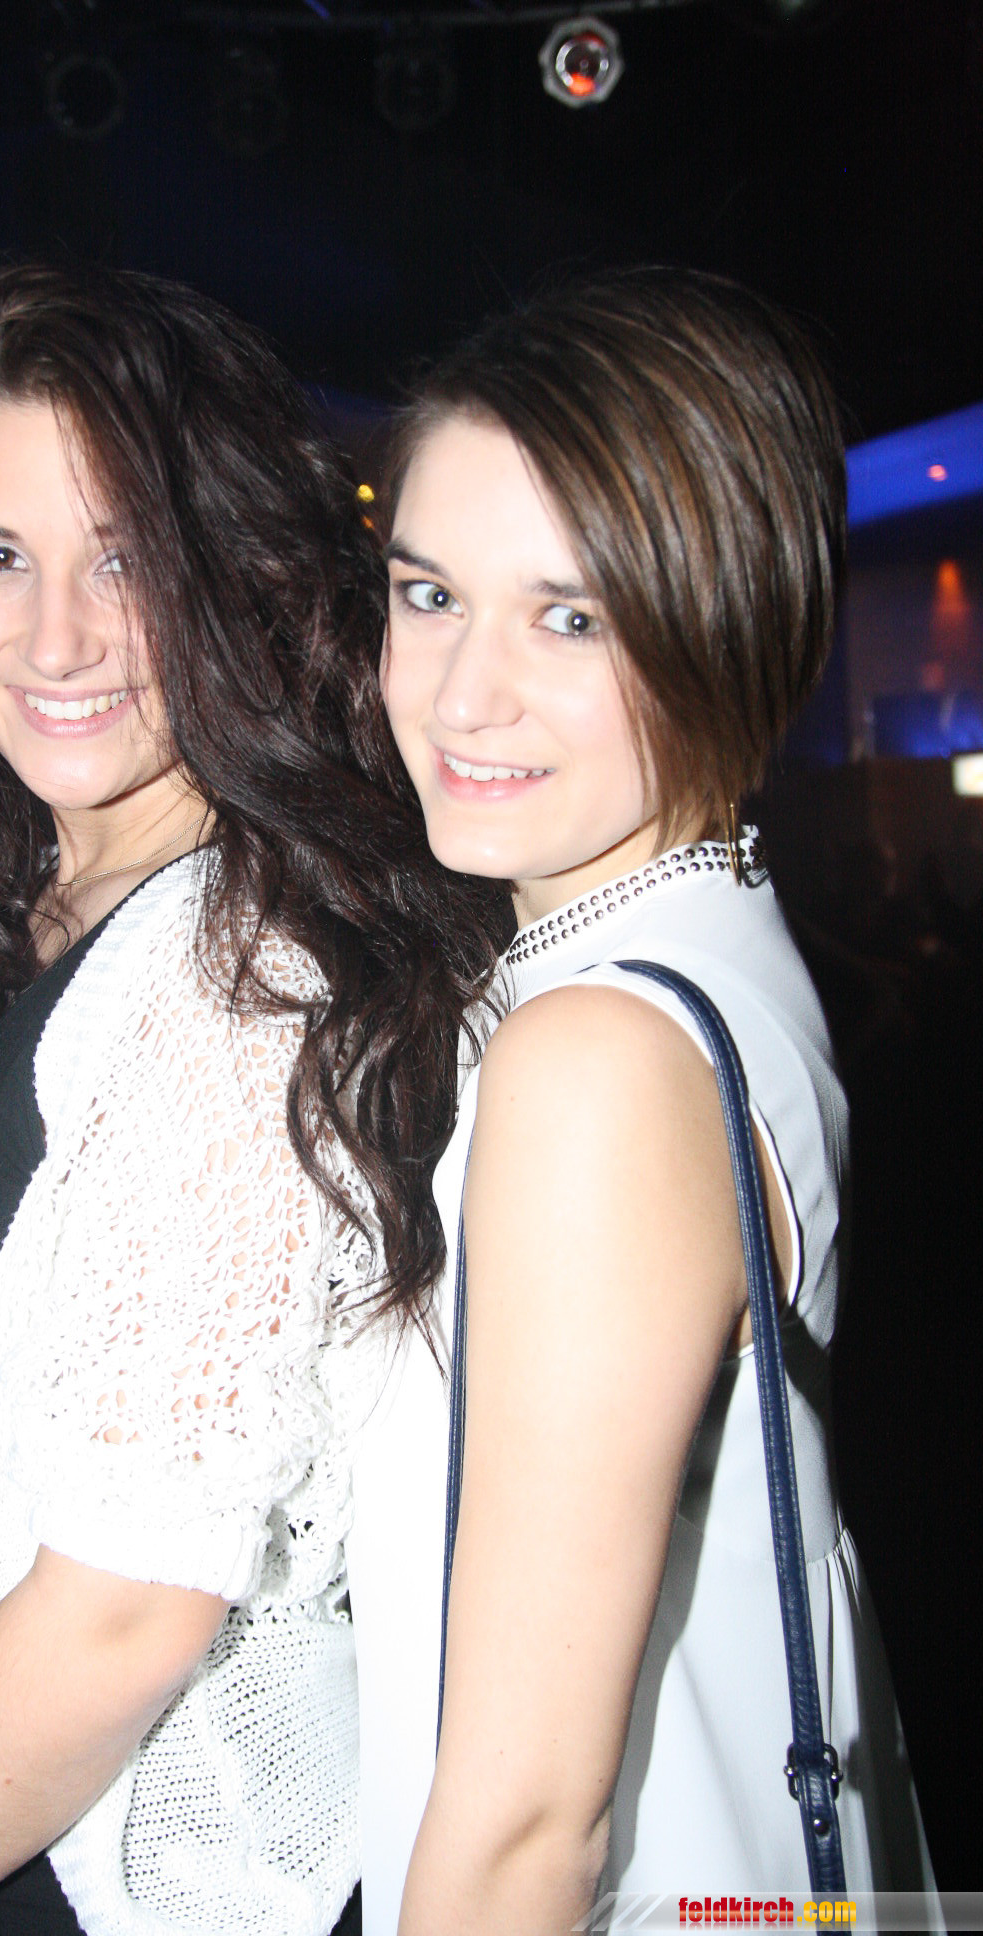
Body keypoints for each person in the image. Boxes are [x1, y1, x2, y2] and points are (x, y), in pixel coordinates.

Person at [0, 262, 501, 1936]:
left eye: (125, 557)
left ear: (232, 569)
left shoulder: (236, 977)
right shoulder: (22, 906)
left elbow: (124, 1613)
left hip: (114, 1882)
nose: (57, 638)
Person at [348, 269, 938, 1933]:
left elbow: (529, 1826)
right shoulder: (711, 948)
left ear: (729, 625)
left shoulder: (599, 1056)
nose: (462, 694)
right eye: (429, 593)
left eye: (573, 617)